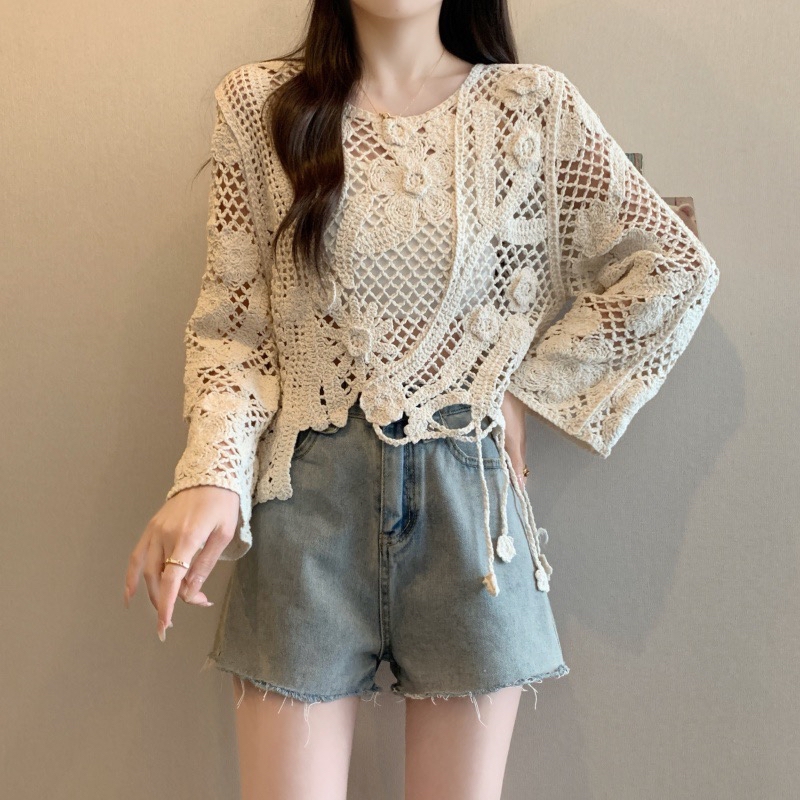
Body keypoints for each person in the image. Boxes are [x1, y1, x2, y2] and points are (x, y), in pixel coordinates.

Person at [122, 1, 720, 797]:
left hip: (471, 517)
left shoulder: (530, 107)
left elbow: (672, 266)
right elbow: (236, 329)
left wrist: (529, 394)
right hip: (306, 512)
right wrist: (212, 472)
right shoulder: (262, 105)